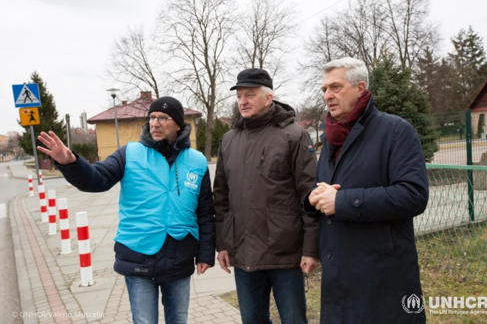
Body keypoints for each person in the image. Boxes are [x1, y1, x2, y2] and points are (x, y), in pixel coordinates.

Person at [37, 96, 215, 324]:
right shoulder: (129, 154)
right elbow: (97, 179)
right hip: (138, 256)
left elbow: (205, 212)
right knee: (144, 321)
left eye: (163, 118)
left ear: (179, 124)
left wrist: (205, 254)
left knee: (179, 319)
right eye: (152, 118)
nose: (156, 123)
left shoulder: (197, 162)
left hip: (178, 257)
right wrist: (71, 162)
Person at [304, 58, 428, 323]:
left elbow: (414, 195)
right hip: (338, 282)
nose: (328, 95)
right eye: (324, 89)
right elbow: (328, 190)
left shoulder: (396, 131)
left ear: (360, 88)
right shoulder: (330, 139)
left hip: (383, 282)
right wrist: (313, 199)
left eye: (335, 87)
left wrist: (343, 202)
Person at [213, 68, 320, 324]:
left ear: (269, 98)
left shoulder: (294, 135)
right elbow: (221, 198)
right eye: (239, 96)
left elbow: (310, 196)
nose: (243, 101)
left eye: (250, 95)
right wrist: (223, 244)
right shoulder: (228, 141)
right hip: (245, 256)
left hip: (285, 253)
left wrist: (311, 249)